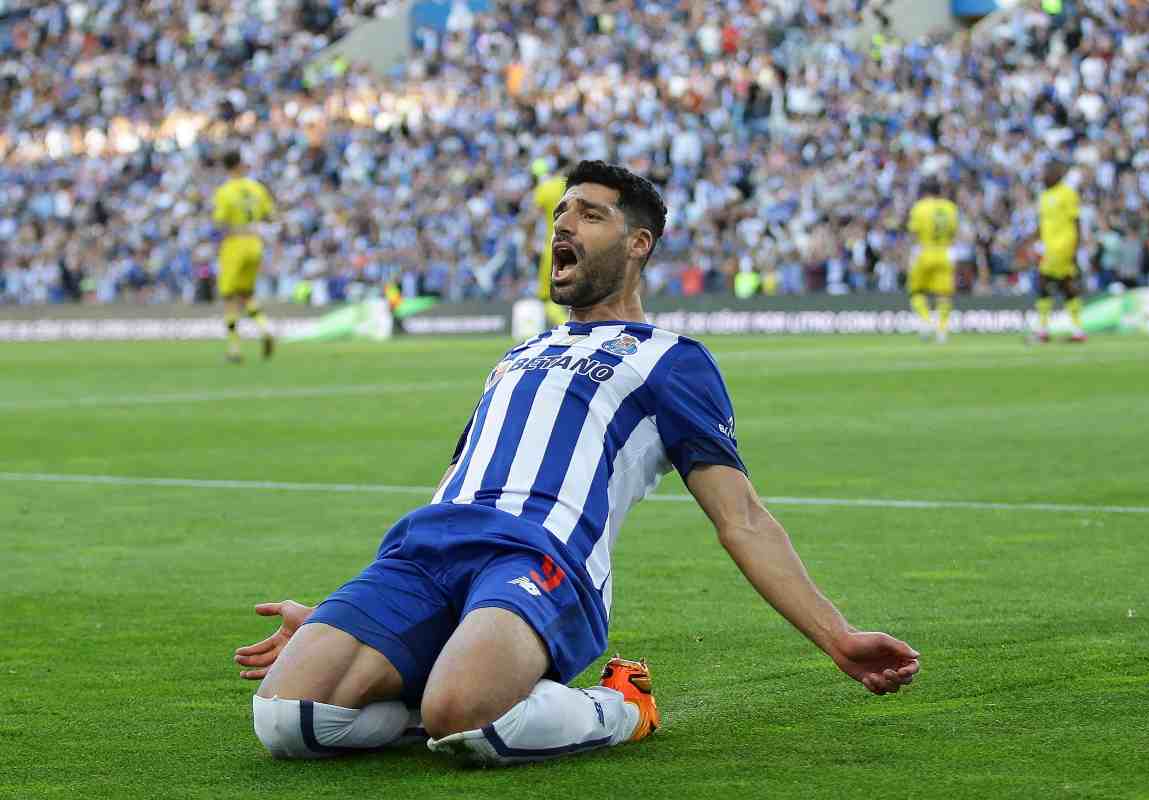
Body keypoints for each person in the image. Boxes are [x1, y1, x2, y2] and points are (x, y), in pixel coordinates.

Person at [233, 161, 920, 766]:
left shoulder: (672, 359)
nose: (564, 224)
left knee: (465, 719)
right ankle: (441, 684)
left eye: (590, 215)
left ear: (638, 243)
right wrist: (354, 616)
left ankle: (623, 706)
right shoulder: (520, 352)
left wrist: (837, 635)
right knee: (288, 720)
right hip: (426, 550)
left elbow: (741, 517)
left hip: (541, 558)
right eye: (562, 212)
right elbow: (462, 473)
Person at [212, 150, 277, 363]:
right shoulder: (257, 188)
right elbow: (271, 215)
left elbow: (220, 221)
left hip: (235, 243)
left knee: (229, 297)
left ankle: (234, 349)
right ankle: (265, 328)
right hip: (255, 243)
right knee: (247, 294)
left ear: (226, 167)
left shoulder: (225, 191)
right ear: (241, 164)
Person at [1033, 160, 1086, 343]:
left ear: (1057, 174)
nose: (1043, 177)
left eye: (1047, 173)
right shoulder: (1044, 196)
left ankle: (1042, 330)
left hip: (1062, 246)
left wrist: (1076, 247)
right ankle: (1077, 330)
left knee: (1043, 282)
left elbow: (1076, 221)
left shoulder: (1067, 193)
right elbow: (1043, 223)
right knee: (1066, 285)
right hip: (1049, 247)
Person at [906, 176, 959, 343]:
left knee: (916, 291)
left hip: (924, 251)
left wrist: (910, 256)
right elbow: (954, 232)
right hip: (945, 253)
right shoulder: (950, 207)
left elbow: (913, 233)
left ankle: (926, 321)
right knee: (944, 294)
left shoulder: (919, 207)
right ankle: (942, 330)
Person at [531, 158, 570, 328]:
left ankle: (568, 328)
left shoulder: (543, 189)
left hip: (554, 246)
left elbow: (532, 219)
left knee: (546, 298)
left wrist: (528, 243)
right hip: (579, 246)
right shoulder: (571, 185)